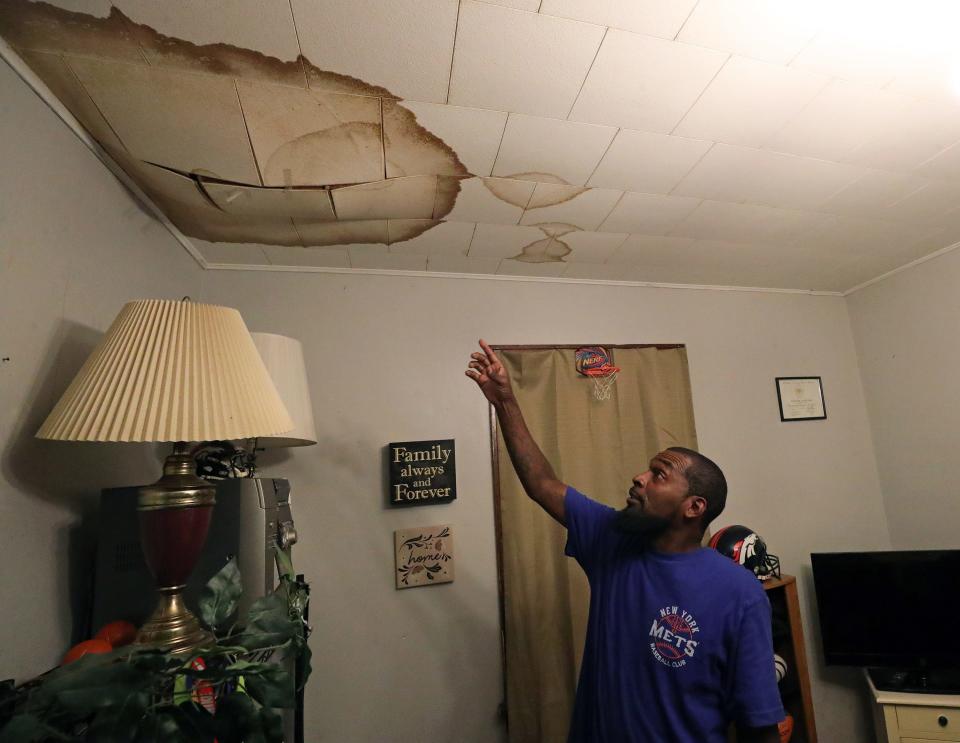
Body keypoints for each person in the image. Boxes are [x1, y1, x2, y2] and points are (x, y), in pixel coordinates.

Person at [466, 340, 784, 743]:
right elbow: (541, 484)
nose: (640, 477)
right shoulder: (612, 539)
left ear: (694, 507)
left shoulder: (739, 593)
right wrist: (505, 401)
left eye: (659, 474)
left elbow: (760, 725)